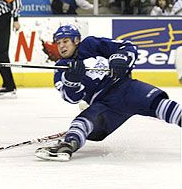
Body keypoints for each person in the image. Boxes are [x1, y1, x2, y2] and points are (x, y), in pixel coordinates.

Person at [35, 25, 181, 162]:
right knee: (81, 122)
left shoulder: (90, 45)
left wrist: (120, 58)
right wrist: (71, 81)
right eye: (58, 43)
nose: (61, 46)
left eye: (65, 41)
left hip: (125, 89)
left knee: (162, 105)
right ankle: (67, 146)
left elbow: (127, 46)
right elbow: (71, 98)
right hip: (103, 105)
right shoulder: (61, 68)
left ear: (76, 40)